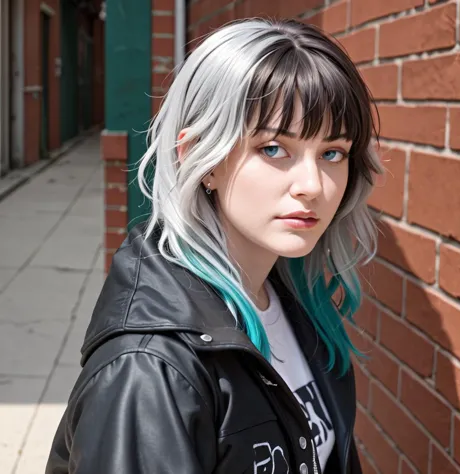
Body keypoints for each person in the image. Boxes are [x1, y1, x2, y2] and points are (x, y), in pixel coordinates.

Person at [46, 18, 383, 474]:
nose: (313, 185)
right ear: (200, 157)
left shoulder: (293, 299)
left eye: (332, 153)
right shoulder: (148, 372)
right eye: (273, 148)